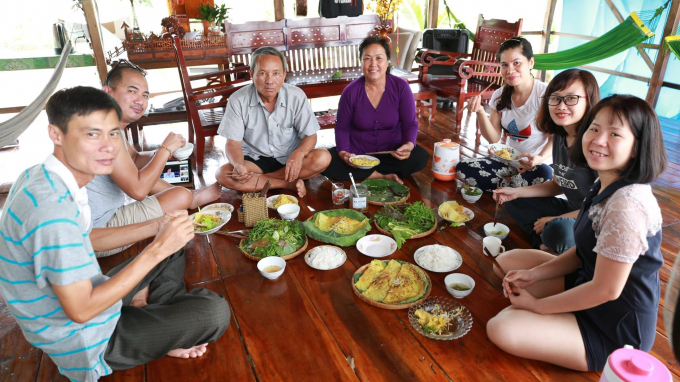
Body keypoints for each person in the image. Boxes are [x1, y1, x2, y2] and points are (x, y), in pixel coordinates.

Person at [0, 87, 230, 382]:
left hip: (91, 297)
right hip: (84, 339)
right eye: (92, 134)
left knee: (173, 236)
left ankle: (157, 324)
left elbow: (90, 238)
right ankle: (161, 329)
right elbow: (81, 311)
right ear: (56, 134)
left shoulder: (45, 175)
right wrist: (156, 250)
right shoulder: (50, 211)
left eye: (112, 134)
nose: (109, 147)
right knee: (215, 312)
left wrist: (157, 227)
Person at [486, 94, 667, 372]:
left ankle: (560, 321)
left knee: (502, 327)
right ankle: (555, 311)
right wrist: (535, 275)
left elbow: (607, 290)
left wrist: (538, 306)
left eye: (615, 134)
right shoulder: (604, 182)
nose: (598, 140)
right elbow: (583, 252)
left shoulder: (628, 205)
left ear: (636, 147)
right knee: (506, 264)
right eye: (594, 128)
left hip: (614, 325)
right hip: (586, 281)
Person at [89, 61, 220, 257]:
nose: (140, 101)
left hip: (98, 224)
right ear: (108, 92)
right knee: (180, 196)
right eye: (132, 91)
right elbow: (138, 190)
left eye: (145, 95)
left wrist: (166, 151)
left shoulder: (107, 123)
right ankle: (191, 198)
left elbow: (133, 158)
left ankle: (192, 198)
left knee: (168, 186)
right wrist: (165, 151)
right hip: (101, 232)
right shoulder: (107, 131)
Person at [493, 69, 600, 254]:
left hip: (595, 220)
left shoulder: (595, 145)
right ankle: (544, 245)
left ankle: (550, 244)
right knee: (513, 198)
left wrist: (555, 219)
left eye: (571, 98)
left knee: (560, 230)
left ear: (589, 100)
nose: (561, 106)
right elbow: (557, 186)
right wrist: (516, 192)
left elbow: (601, 207)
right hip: (573, 210)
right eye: (555, 98)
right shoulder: (560, 135)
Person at [215, 46, 331, 197]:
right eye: (262, 73)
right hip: (256, 160)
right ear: (252, 74)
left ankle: (261, 182)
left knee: (323, 157)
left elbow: (311, 136)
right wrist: (238, 165)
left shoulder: (296, 96)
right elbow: (233, 144)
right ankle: (286, 183)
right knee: (223, 174)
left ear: (284, 75)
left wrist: (298, 154)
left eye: (276, 73)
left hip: (290, 157)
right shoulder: (238, 100)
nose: (269, 81)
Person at [322, 36, 429, 183]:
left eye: (379, 58)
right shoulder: (351, 91)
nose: (373, 64)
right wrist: (343, 154)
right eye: (367, 58)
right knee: (326, 162)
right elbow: (342, 127)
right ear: (361, 62)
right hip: (359, 155)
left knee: (421, 157)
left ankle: (366, 174)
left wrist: (408, 145)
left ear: (387, 61)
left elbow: (410, 123)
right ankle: (381, 175)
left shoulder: (401, 87)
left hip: (391, 153)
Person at [457, 37, 553, 192]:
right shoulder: (499, 95)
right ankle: (513, 190)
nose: (510, 70)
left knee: (545, 175)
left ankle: (508, 190)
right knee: (463, 168)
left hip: (537, 165)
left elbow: (554, 138)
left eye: (517, 63)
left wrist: (538, 159)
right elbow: (494, 138)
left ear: (531, 63)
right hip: (508, 161)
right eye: (504, 65)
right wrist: (481, 112)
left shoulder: (545, 94)